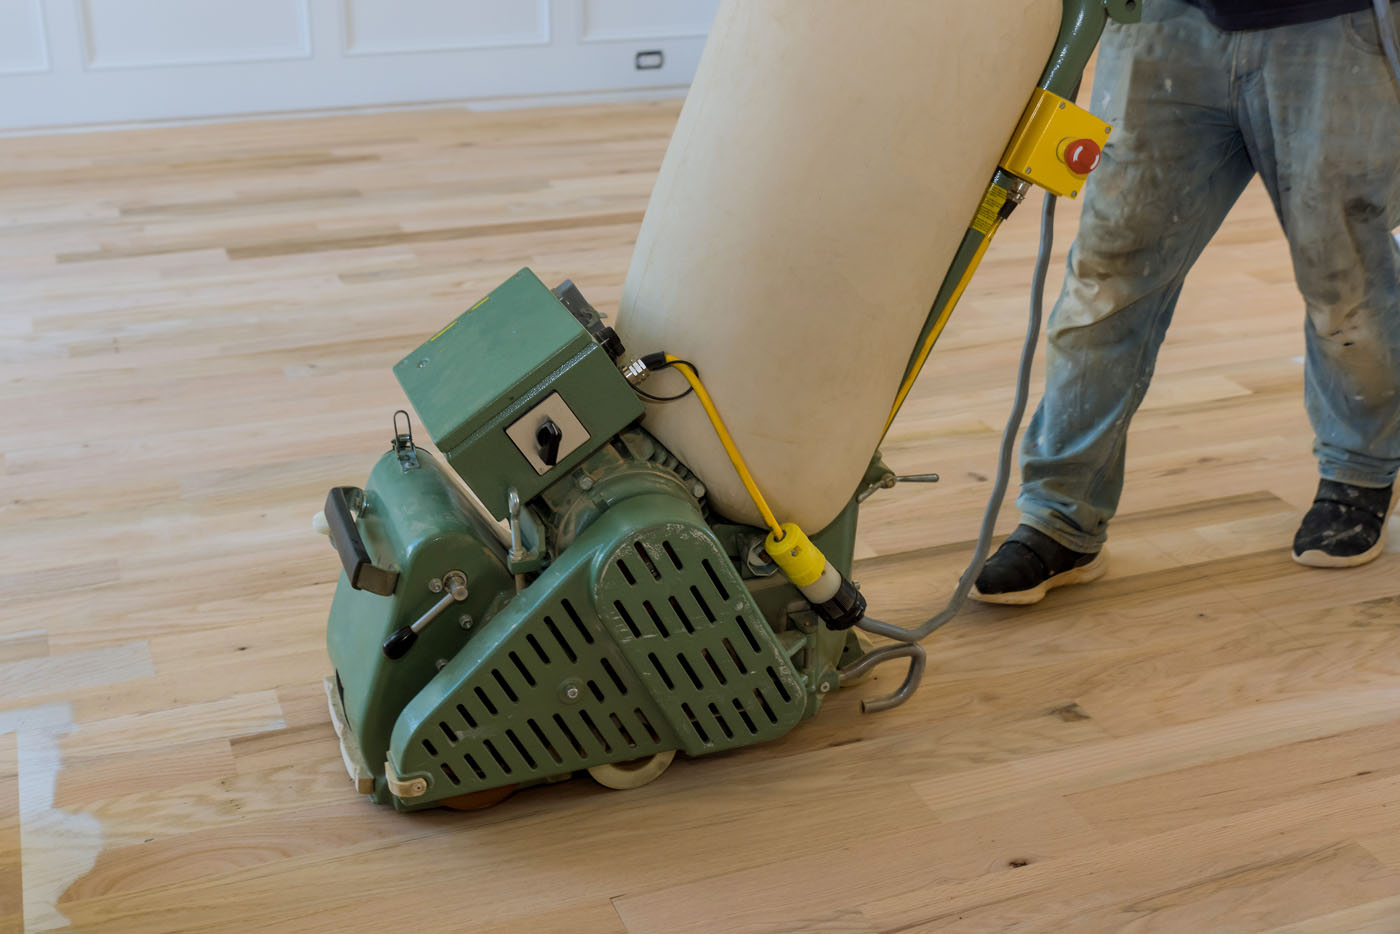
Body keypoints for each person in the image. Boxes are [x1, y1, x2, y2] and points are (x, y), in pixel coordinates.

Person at [972, 0, 1400, 605]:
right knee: (1108, 278)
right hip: (1158, 21)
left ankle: (1359, 471)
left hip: (1329, 26)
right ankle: (1061, 516)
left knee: (1344, 274)